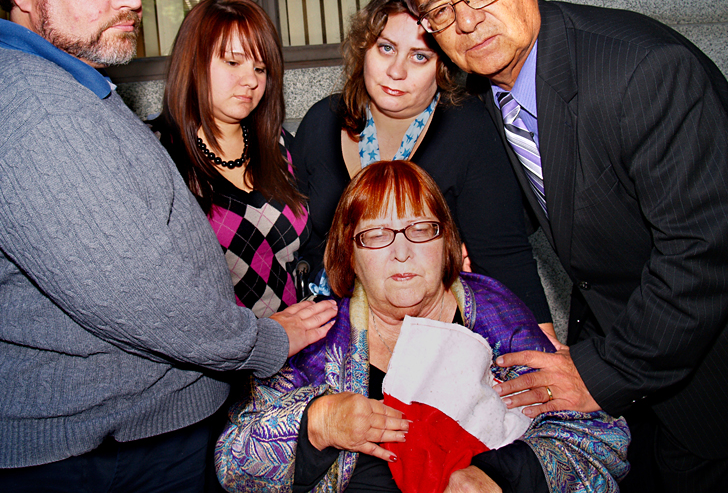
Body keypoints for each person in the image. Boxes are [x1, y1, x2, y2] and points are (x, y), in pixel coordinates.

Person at [0, 0, 336, 490]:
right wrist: (266, 339)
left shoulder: (78, 89)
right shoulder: (34, 115)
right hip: (92, 453)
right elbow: (138, 292)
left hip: (139, 433)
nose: (130, 0)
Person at [396, 0, 728, 491]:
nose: (468, 22)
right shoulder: (485, 95)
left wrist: (599, 375)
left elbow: (702, 256)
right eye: (443, 12)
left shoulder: (643, 73)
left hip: (706, 379)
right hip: (628, 358)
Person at [215, 161, 629, 493]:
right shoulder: (320, 333)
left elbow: (600, 436)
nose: (401, 252)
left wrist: (498, 476)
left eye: (420, 229)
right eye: (376, 234)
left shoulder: (489, 310)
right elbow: (232, 463)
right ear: (348, 254)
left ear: (446, 240)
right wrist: (318, 423)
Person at [292, 0, 555, 336]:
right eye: (386, 48)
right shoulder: (321, 121)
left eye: (419, 56)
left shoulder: (468, 130)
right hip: (330, 329)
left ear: (443, 66)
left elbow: (504, 255)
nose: (396, 72)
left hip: (437, 333)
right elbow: (302, 242)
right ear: (363, 49)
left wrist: (540, 342)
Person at [150, 0, 309, 318]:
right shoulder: (155, 155)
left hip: (299, 353)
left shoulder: (278, 144)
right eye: (233, 62)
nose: (251, 80)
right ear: (194, 62)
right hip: (221, 359)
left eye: (260, 68)